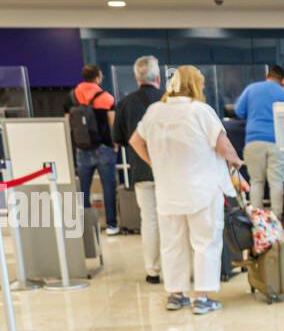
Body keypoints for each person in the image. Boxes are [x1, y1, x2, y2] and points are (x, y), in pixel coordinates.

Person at [129, 65, 246, 316]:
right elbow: (222, 145)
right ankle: (202, 298)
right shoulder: (199, 111)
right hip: (201, 190)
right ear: (195, 85)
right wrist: (237, 162)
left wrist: (155, 163)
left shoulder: (154, 112)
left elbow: (135, 141)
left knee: (172, 244)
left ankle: (176, 295)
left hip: (168, 191)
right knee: (205, 242)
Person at [112, 55, 164, 283]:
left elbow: (119, 138)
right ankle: (178, 271)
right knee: (172, 220)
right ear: (159, 77)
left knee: (149, 220)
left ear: (136, 78)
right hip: (170, 171)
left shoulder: (125, 103)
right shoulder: (167, 101)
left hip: (141, 170)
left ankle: (152, 271)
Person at [64, 63, 119, 235]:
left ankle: (86, 226)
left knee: (83, 188)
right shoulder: (107, 98)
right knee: (108, 187)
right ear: (98, 77)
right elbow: (112, 123)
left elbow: (67, 123)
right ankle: (111, 225)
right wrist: (115, 143)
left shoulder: (72, 96)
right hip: (104, 147)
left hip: (82, 148)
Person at [234, 64, 284, 219]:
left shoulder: (251, 89)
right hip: (278, 143)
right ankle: (276, 218)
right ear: (281, 80)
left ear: (268, 76)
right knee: (277, 181)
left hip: (254, 141)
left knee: (256, 181)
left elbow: (238, 111)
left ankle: (257, 218)